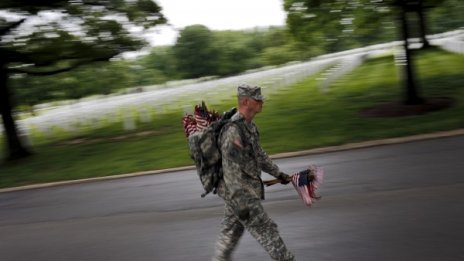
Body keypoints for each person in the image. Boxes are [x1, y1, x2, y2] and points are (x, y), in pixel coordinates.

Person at [212, 84, 296, 261]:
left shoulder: (249, 126)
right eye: (257, 100)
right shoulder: (233, 131)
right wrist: (240, 202)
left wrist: (278, 173)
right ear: (245, 101)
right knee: (268, 232)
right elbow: (230, 170)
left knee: (229, 236)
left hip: (240, 193)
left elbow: (259, 155)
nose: (261, 102)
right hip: (242, 194)